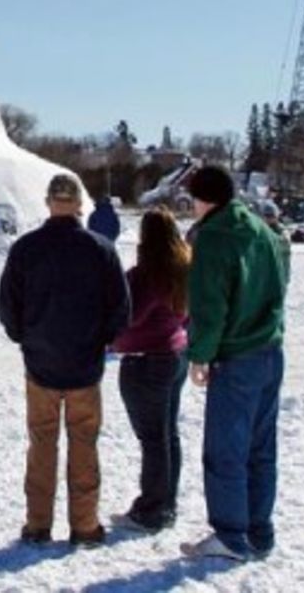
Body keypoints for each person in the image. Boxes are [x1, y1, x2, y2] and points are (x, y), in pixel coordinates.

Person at [0, 173, 129, 548]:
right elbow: (120, 309)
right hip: (84, 365)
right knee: (84, 444)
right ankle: (84, 526)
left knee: (42, 444)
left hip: (40, 365)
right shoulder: (101, 249)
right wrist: (99, 341)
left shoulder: (26, 248)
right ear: (79, 203)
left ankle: (38, 524)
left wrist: (26, 337)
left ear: (48, 201)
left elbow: (7, 306)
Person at [179, 165, 289, 564]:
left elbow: (209, 303)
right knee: (261, 448)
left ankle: (230, 534)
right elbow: (280, 282)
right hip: (270, 350)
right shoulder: (261, 230)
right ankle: (259, 530)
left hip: (236, 354)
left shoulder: (213, 238)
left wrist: (200, 355)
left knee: (226, 448)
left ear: (203, 198)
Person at [111, 207, 191, 534]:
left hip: (146, 361)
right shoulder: (184, 270)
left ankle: (153, 508)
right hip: (175, 354)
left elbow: (127, 315)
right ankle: (166, 503)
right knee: (167, 434)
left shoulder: (145, 276)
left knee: (153, 438)